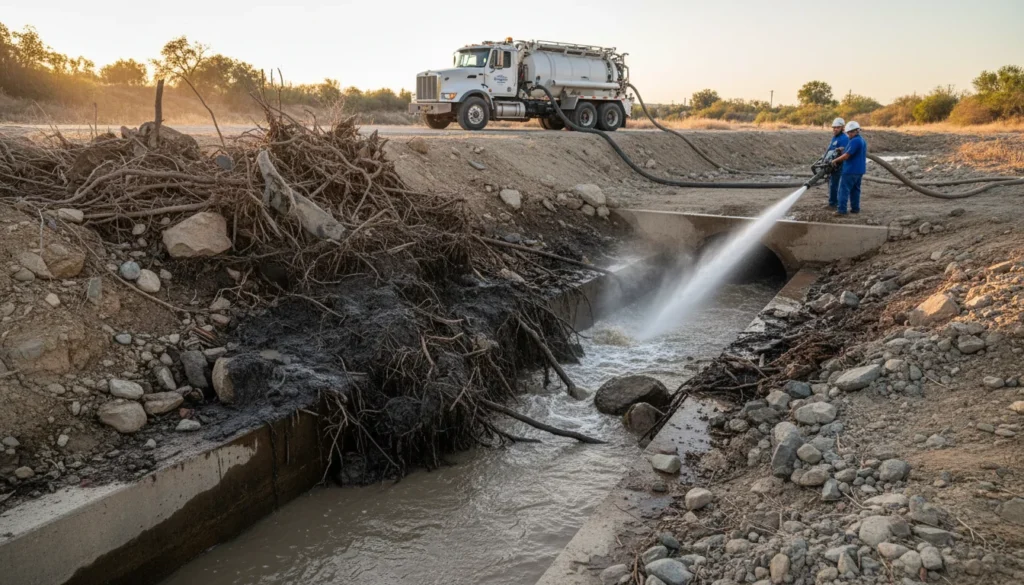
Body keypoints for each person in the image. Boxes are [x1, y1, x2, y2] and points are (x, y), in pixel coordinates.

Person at [831, 121, 867, 215]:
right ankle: (855, 209)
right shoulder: (861, 140)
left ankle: (841, 210)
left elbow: (847, 156)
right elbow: (851, 150)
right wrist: (842, 149)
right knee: (855, 190)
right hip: (859, 170)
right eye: (848, 132)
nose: (849, 134)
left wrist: (835, 161)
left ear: (856, 131)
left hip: (850, 170)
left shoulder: (855, 141)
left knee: (843, 190)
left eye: (850, 132)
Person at [825, 117, 849, 209]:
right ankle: (832, 202)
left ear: (842, 128)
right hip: (831, 164)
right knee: (831, 184)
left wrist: (836, 161)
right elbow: (830, 150)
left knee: (835, 185)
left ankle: (835, 204)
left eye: (837, 127)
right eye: (834, 127)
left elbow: (844, 153)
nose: (835, 129)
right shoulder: (835, 137)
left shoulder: (844, 138)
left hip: (839, 166)